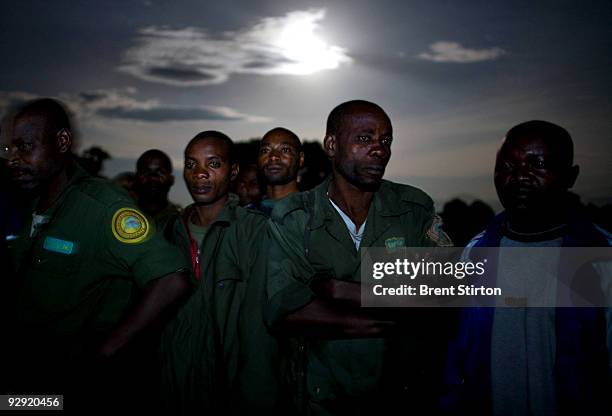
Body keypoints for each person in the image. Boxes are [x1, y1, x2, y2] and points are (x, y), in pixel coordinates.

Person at [265, 100, 453, 415]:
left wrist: (343, 291)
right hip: (318, 399)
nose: (379, 149)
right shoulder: (295, 215)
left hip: (400, 396)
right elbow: (285, 310)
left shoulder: (413, 208)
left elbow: (447, 291)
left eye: (386, 141)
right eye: (365, 139)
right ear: (331, 145)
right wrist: (400, 309)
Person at [3, 98, 190, 408]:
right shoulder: (35, 204)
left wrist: (102, 355)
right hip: (29, 379)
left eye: (26, 146)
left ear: (62, 142)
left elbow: (172, 279)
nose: (14, 159)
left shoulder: (102, 205)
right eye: (9, 149)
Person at [443, 120, 612, 415]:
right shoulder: (474, 254)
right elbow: (459, 355)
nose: (520, 176)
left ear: (570, 176)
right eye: (507, 166)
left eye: (537, 164)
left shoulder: (601, 258)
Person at [160, 131, 281, 415]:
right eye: (191, 165)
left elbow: (263, 329)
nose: (200, 174)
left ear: (233, 171)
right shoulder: (165, 231)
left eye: (213, 164)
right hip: (172, 389)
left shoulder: (256, 231)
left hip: (233, 395)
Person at [257, 127, 304, 216]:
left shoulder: (317, 213)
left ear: (300, 159)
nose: (273, 156)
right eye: (265, 150)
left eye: (285, 150)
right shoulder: (243, 217)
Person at [134, 149, 181, 229]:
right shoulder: (119, 214)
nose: (153, 177)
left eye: (161, 172)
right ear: (136, 178)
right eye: (145, 172)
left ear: (171, 179)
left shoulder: (181, 222)